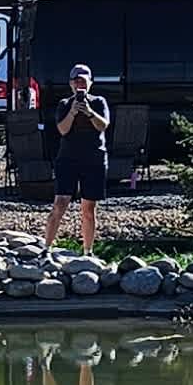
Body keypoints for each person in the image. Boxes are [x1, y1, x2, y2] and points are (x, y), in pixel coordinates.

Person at [43, 63, 110, 252]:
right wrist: (73, 112)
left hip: (94, 159)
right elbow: (63, 130)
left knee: (88, 209)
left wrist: (89, 112)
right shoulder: (64, 104)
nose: (79, 84)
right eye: (76, 81)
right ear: (70, 84)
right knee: (60, 204)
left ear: (90, 83)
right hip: (68, 158)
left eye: (83, 81)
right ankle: (46, 248)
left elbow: (103, 125)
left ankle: (88, 251)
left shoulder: (98, 102)